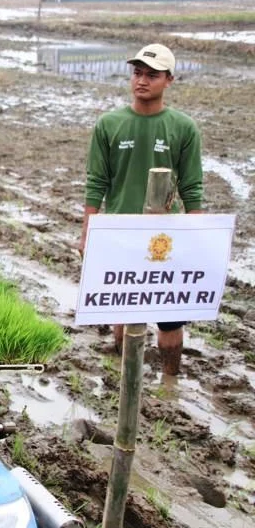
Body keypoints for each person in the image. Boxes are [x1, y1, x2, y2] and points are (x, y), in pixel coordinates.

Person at [79, 43, 203, 376]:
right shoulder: (109, 124)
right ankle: (126, 377)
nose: (142, 81)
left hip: (167, 239)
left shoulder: (183, 127)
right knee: (124, 314)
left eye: (152, 75)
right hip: (122, 234)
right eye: (137, 73)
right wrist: (87, 232)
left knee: (170, 318)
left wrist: (197, 237)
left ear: (169, 80)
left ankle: (169, 381)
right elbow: (97, 182)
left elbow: (192, 187)